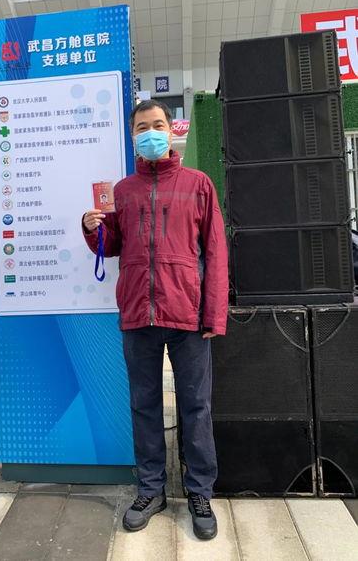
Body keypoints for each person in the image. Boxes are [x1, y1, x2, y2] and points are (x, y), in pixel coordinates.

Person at [82, 99, 229, 540]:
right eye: (142, 127)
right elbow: (113, 245)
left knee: (196, 406)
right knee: (143, 406)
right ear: (133, 136)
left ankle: (199, 492)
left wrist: (214, 313)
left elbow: (215, 252)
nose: (151, 132)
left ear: (170, 130)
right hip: (137, 314)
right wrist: (93, 228)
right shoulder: (124, 190)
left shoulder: (198, 184)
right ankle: (150, 490)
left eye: (158, 124)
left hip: (187, 314)